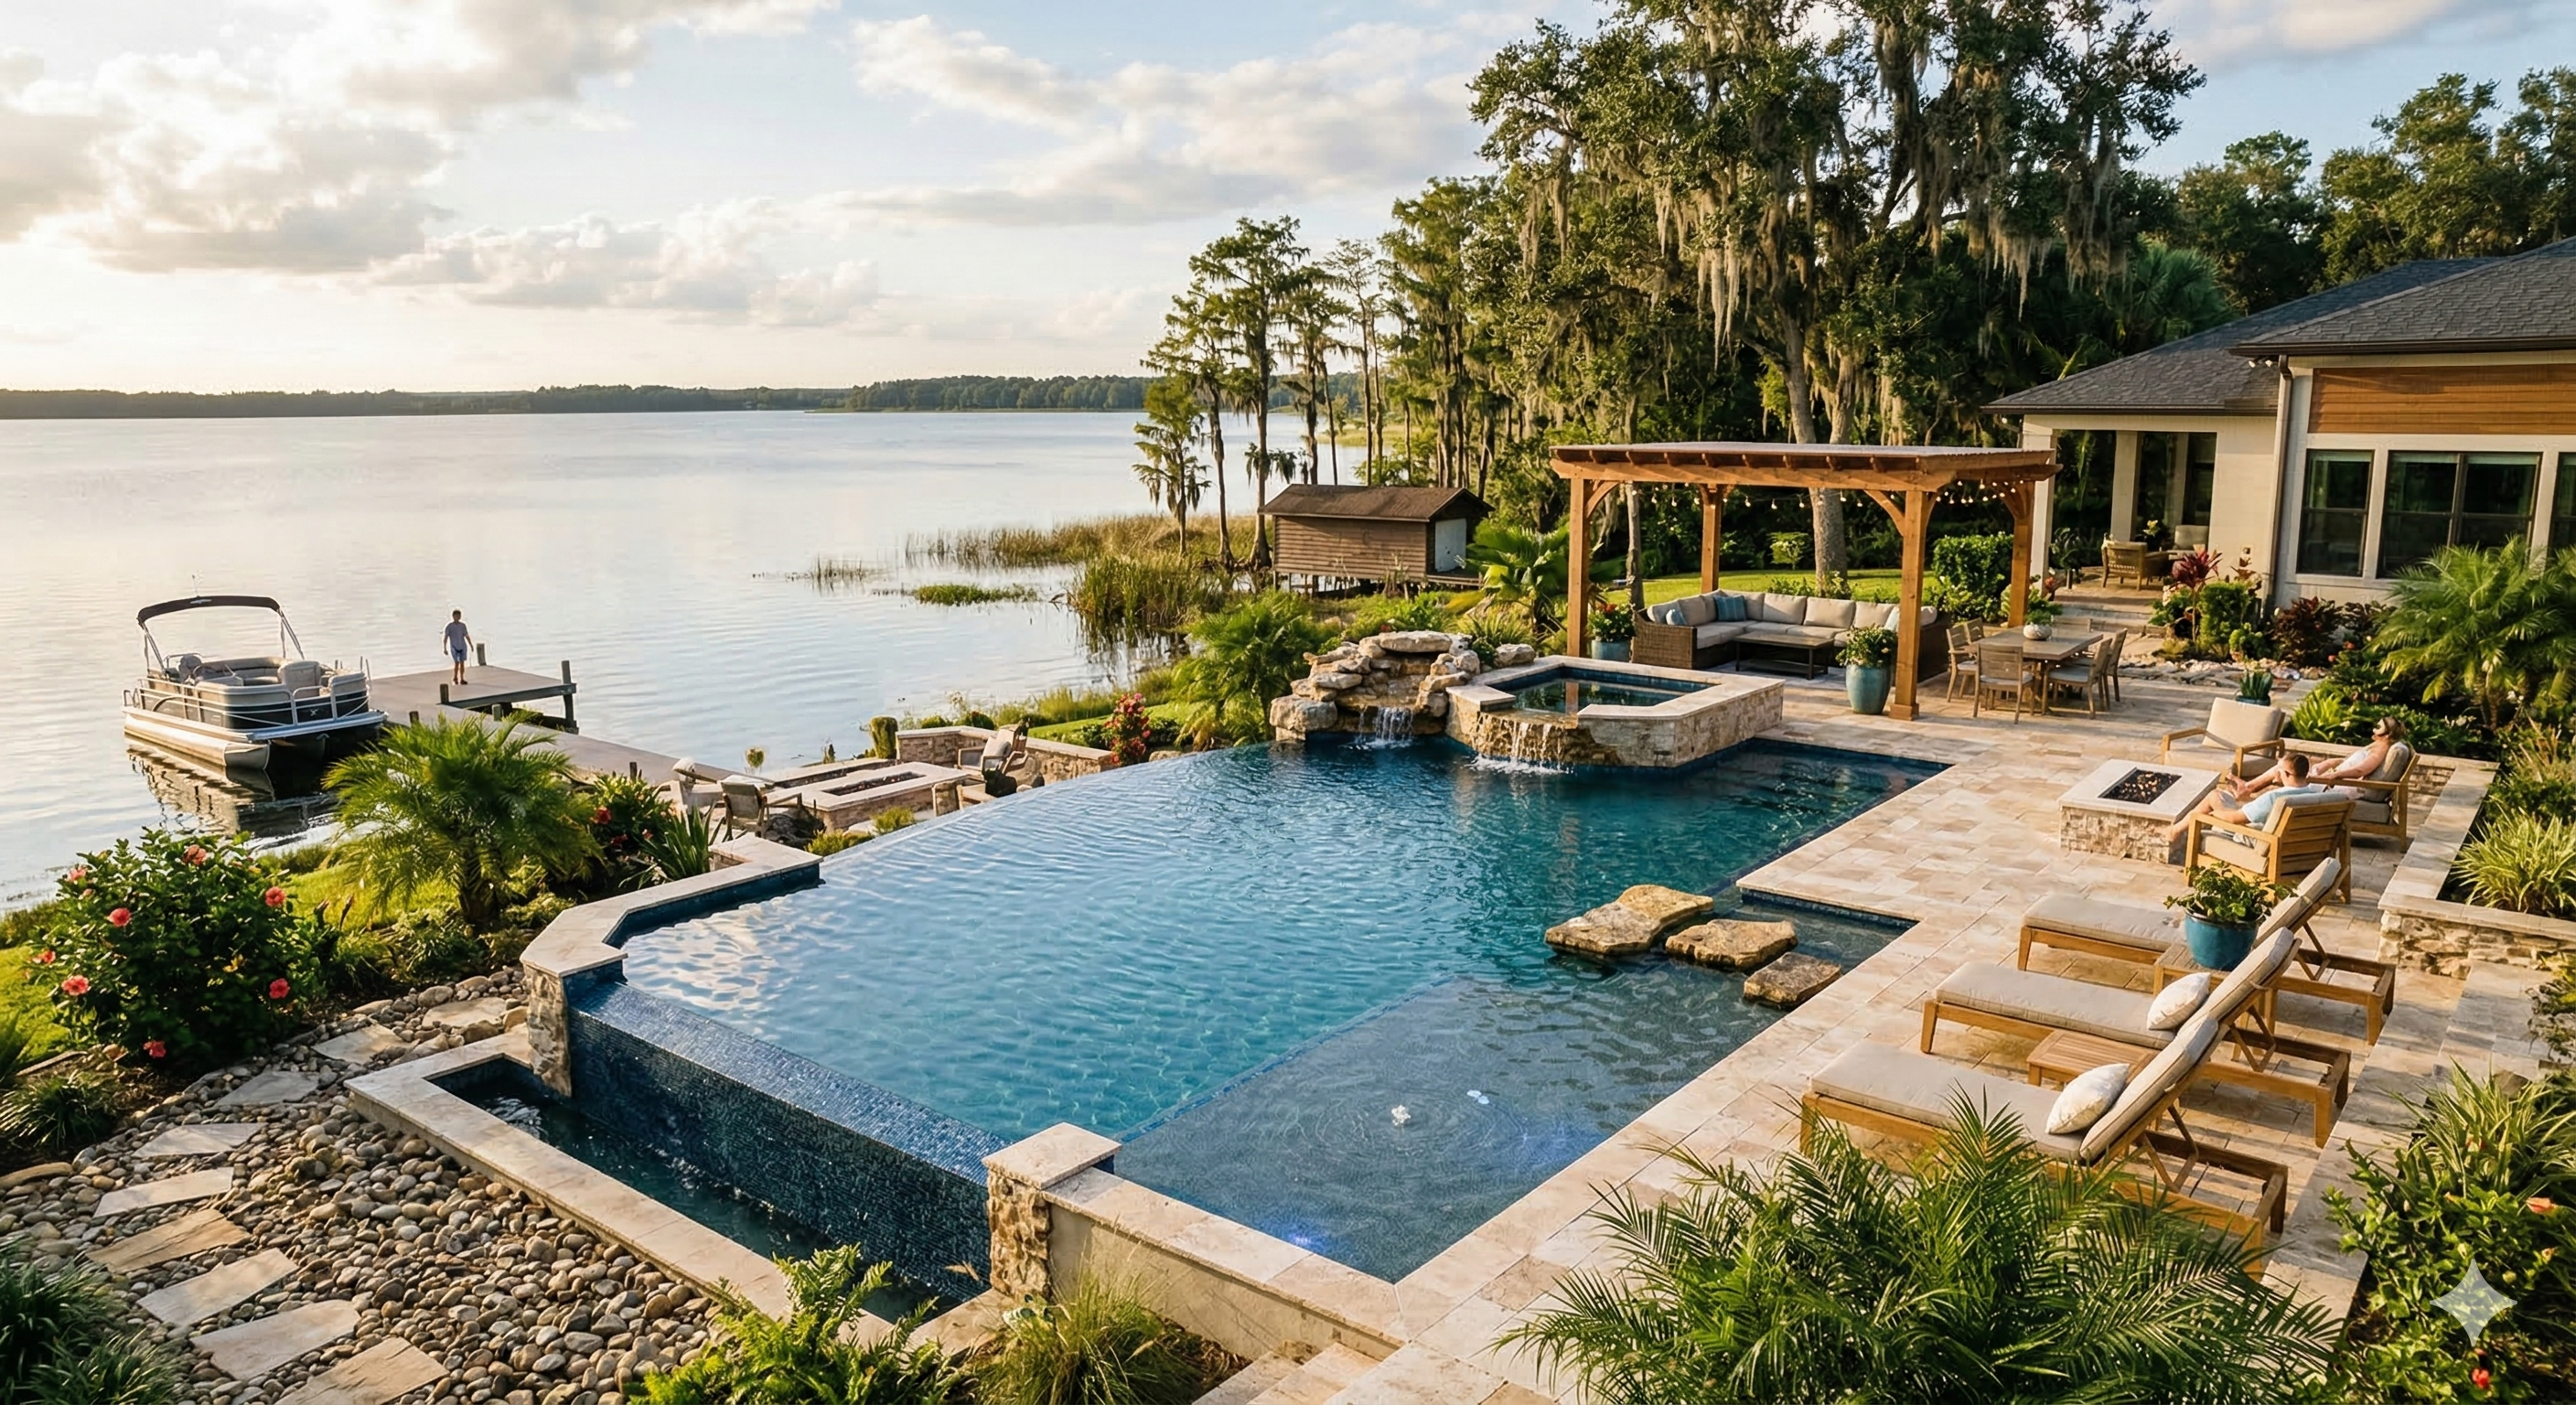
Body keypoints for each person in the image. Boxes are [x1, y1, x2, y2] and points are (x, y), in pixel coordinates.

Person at [2227, 716, 2406, 802]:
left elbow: (2361, 771)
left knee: (2284, 768)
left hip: (2341, 786)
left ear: (2387, 733)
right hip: (2336, 780)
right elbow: (2353, 761)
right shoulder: (2376, 746)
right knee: (2284, 767)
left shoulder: (2381, 750)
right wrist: (2329, 763)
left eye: (2378, 726)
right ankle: (2248, 789)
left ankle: (2249, 791)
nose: (2374, 728)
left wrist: (2334, 776)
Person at [2171, 751, 2322, 842]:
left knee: (2213, 798)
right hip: (2295, 845)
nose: (2276, 773)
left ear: (2287, 774)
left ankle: (2174, 832)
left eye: (2279, 770)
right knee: (2217, 795)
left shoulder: (2274, 798)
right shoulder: (2316, 796)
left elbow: (2234, 819)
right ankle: (2175, 830)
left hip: (2259, 839)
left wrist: (2213, 814)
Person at [444, 610, 473, 686]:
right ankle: (455, 677)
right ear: (453, 616)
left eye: (459, 616)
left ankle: (462, 678)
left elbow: (466, 635)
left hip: (462, 646)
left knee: (462, 663)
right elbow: (446, 637)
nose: (457, 617)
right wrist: (445, 648)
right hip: (454, 646)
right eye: (456, 616)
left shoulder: (463, 625)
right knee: (457, 663)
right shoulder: (449, 626)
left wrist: (471, 645)